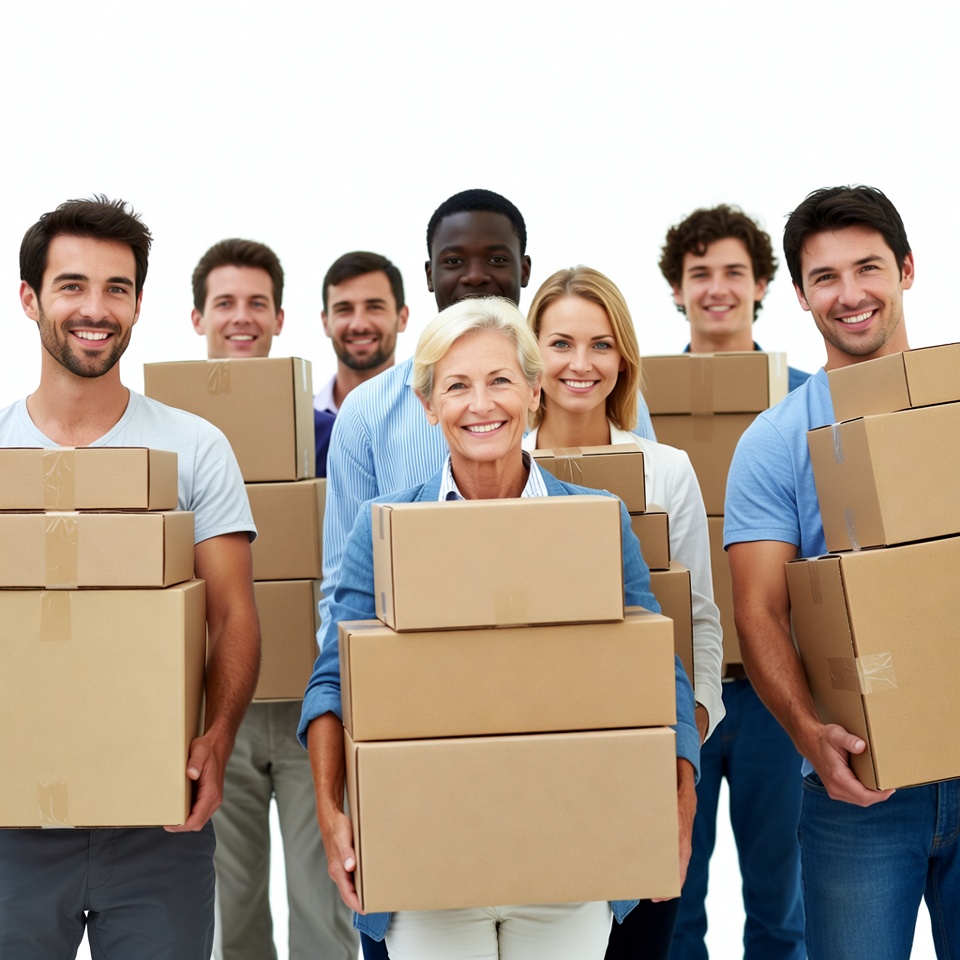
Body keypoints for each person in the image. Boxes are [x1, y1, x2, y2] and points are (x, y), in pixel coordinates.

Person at [299, 295, 701, 959]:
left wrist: (680, 798)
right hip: (425, 853)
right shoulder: (384, 529)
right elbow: (332, 679)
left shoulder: (596, 520)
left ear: (534, 393)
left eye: (500, 381)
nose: (480, 404)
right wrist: (328, 807)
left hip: (568, 849)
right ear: (428, 405)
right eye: (457, 386)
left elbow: (658, 667)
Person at [0, 197, 259, 958]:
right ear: (30, 299)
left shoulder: (194, 447)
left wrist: (218, 738)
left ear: (139, 304)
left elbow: (232, 614)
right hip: (13, 821)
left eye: (117, 288)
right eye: (72, 286)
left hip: (159, 819)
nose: (96, 309)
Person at [725, 185, 960, 959]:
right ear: (800, 294)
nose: (850, 294)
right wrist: (808, 734)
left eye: (868, 268)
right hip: (856, 784)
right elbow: (758, 610)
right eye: (825, 277)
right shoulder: (775, 440)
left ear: (908, 270)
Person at [523, 266, 723, 960]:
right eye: (560, 344)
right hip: (532, 758)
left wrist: (689, 732)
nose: (581, 364)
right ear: (530, 354)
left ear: (623, 357)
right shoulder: (499, 464)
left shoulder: (667, 470)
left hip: (645, 758)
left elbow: (699, 617)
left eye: (601, 344)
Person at [191, 238, 358, 960]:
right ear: (197, 317)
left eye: (257, 303)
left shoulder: (328, 436)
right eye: (224, 302)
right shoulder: (172, 439)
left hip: (305, 703)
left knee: (324, 900)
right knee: (229, 905)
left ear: (281, 319)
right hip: (212, 702)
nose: (241, 317)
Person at [658, 206, 809, 960]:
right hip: (677, 687)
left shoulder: (807, 398)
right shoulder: (639, 403)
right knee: (673, 903)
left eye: (733, 273)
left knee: (782, 904)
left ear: (761, 287)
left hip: (776, 686)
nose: (716, 288)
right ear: (677, 290)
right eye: (699, 274)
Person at [313, 251, 409, 468]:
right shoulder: (299, 428)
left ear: (402, 318)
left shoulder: (435, 419)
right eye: (344, 309)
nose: (359, 324)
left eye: (374, 307)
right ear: (325, 322)